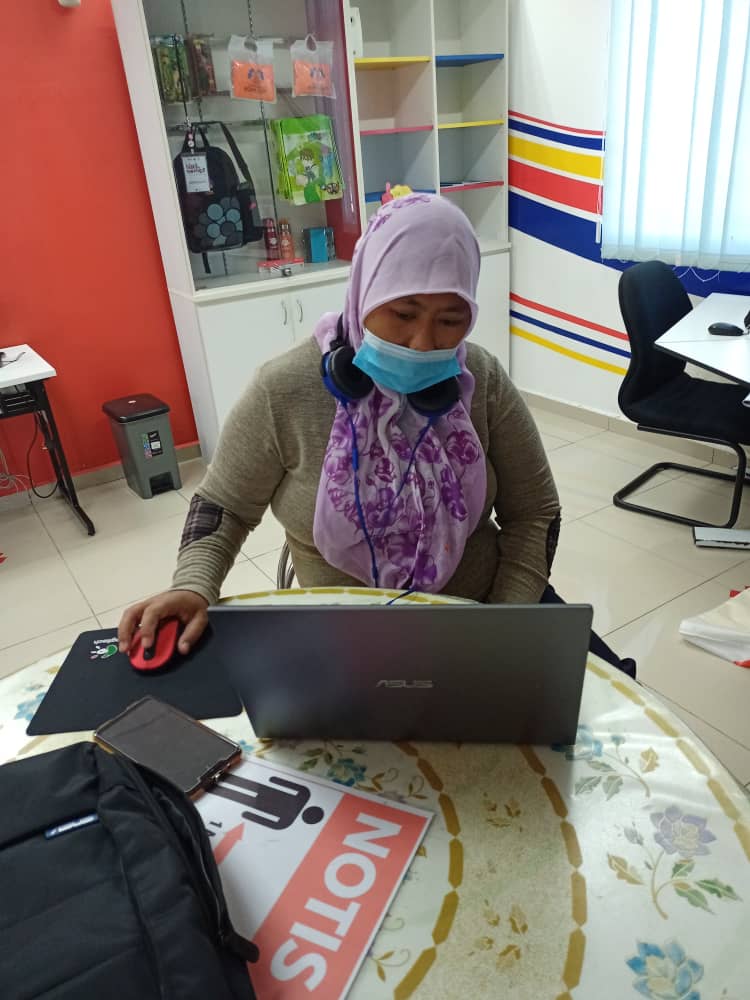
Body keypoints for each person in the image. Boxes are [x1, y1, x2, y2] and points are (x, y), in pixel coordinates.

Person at [118, 193, 633, 677]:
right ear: (365, 291)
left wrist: (504, 620)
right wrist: (194, 585)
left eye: (450, 320)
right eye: (403, 314)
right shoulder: (285, 389)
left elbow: (535, 512)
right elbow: (223, 506)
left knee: (604, 710)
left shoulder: (482, 381)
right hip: (343, 642)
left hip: (482, 616)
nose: (423, 341)